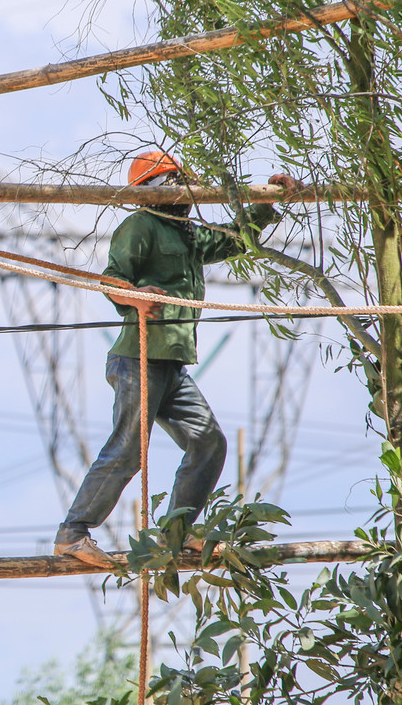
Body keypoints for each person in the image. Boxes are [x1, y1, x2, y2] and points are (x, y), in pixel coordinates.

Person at [54, 151, 292, 568]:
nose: (183, 191)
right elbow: (111, 279)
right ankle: (73, 533)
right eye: (173, 183)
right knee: (129, 451)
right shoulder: (139, 226)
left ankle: (177, 535)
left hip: (171, 365)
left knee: (207, 442)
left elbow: (236, 240)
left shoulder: (186, 234)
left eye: (183, 182)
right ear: (151, 191)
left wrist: (266, 205)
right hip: (138, 359)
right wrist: (137, 298)